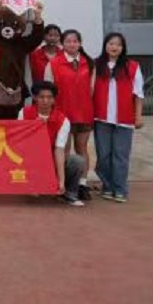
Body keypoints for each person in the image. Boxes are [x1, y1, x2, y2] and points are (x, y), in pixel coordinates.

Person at [93, 32, 145, 203]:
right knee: (103, 155)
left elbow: (139, 94)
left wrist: (138, 116)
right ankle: (107, 186)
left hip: (125, 119)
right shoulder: (96, 65)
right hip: (101, 118)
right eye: (111, 43)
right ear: (105, 46)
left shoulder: (132, 66)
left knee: (120, 156)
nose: (114, 47)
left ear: (123, 48)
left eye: (118, 44)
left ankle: (120, 189)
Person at [45, 29, 94, 201]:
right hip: (62, 114)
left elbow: (92, 89)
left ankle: (82, 184)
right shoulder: (54, 63)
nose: (72, 44)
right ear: (62, 44)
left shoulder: (89, 63)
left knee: (82, 148)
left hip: (84, 112)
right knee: (63, 150)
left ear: (80, 43)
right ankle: (63, 183)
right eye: (68, 41)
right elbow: (48, 91)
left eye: (75, 41)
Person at [19, 81, 86, 207]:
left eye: (49, 97)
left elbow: (59, 150)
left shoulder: (63, 120)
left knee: (77, 161)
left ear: (54, 100)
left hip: (51, 161)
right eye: (41, 97)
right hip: (30, 160)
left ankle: (68, 194)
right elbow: (21, 142)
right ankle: (30, 185)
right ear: (35, 98)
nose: (45, 101)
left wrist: (61, 181)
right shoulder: (24, 113)